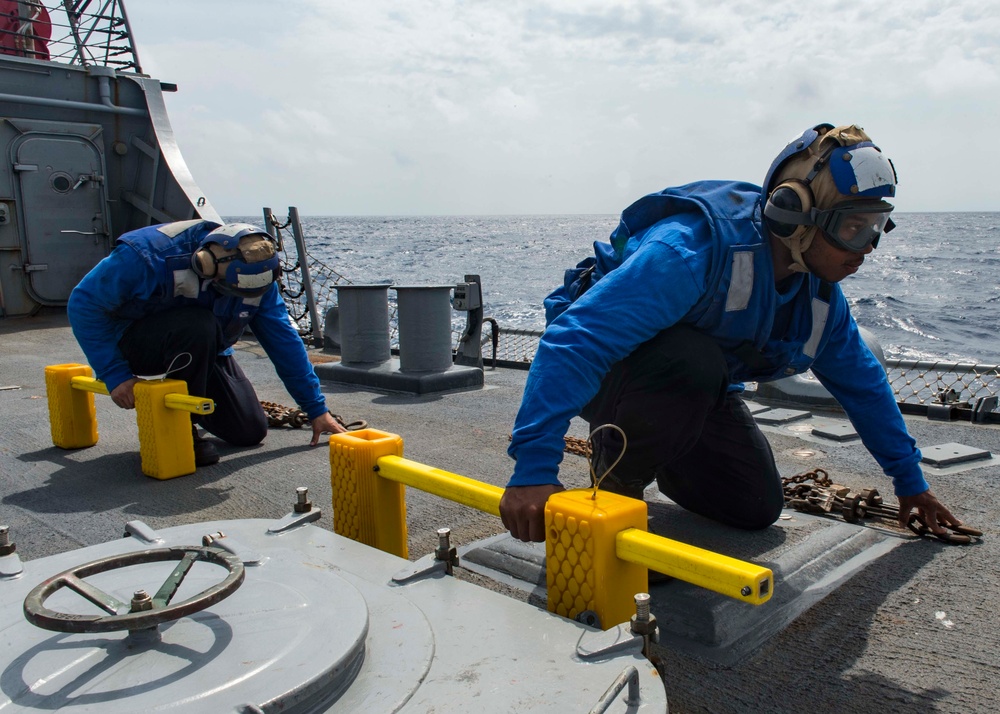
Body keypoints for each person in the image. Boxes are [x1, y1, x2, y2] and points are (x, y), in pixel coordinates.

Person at [500, 123, 963, 543]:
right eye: (853, 227)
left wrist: (910, 484)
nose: (867, 248)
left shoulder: (819, 303)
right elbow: (574, 341)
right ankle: (617, 483)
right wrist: (533, 471)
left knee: (753, 507)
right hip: (611, 373)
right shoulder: (691, 249)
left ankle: (659, 453)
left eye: (876, 227)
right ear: (792, 213)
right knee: (691, 358)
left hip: (689, 390)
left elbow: (865, 388)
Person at [67, 220, 344, 466]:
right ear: (205, 265)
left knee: (248, 431)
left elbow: (284, 342)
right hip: (135, 345)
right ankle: (180, 431)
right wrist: (115, 375)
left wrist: (316, 409)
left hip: (205, 348)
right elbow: (84, 304)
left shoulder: (256, 278)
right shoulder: (147, 255)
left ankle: (194, 401)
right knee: (198, 324)